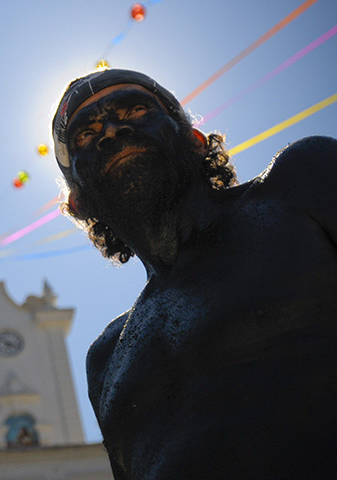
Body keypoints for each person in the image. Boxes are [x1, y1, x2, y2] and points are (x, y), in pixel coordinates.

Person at [52, 68, 337, 479]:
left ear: (194, 139)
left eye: (135, 109)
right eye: (85, 133)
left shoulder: (298, 185)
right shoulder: (106, 359)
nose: (112, 131)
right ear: (76, 202)